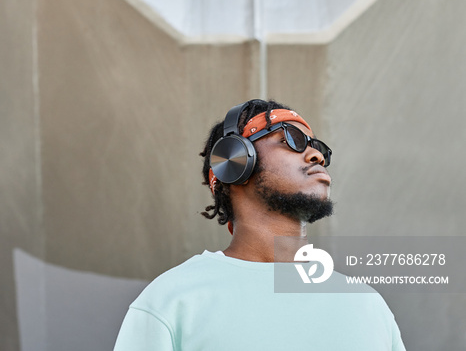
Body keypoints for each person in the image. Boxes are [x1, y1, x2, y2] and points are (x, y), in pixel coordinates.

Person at [114, 99, 406, 350]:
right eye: (293, 139)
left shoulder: (366, 304)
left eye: (319, 149)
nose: (316, 156)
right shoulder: (171, 300)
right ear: (235, 160)